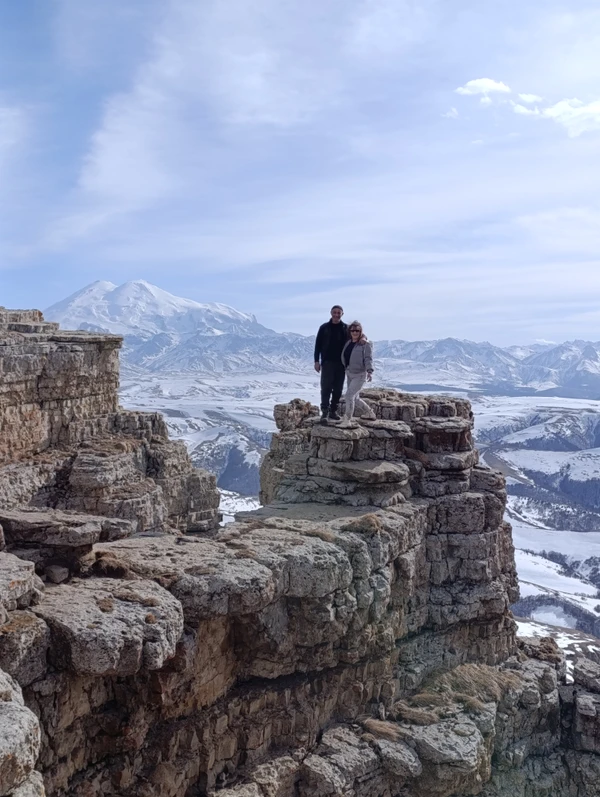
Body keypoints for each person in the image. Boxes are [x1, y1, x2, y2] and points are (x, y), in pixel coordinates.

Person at [314, 305, 348, 424]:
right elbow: (318, 345)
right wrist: (316, 361)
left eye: (339, 312)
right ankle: (324, 412)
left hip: (341, 363)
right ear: (331, 313)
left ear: (342, 314)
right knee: (326, 388)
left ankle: (333, 411)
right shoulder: (324, 328)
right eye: (334, 312)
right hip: (327, 362)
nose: (336, 314)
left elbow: (353, 341)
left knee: (338, 389)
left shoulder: (346, 328)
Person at [339, 321, 376, 427]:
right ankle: (370, 413)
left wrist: (369, 371)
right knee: (355, 398)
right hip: (350, 372)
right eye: (353, 330)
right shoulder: (348, 342)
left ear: (361, 332)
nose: (355, 332)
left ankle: (347, 420)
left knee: (349, 396)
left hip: (360, 374)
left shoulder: (365, 344)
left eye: (357, 330)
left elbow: (368, 358)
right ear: (350, 331)